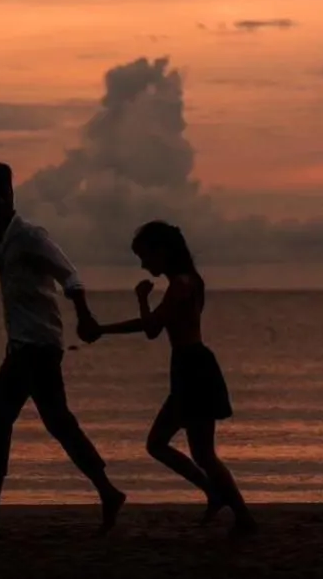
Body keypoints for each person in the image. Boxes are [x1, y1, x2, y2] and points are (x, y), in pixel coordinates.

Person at [0, 161, 127, 531]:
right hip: (20, 346)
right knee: (18, 421)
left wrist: (83, 316)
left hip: (40, 346)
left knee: (39, 421)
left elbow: (70, 274)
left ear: (9, 193)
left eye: (1, 195)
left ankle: (106, 491)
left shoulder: (31, 237)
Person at [82, 221, 256, 536]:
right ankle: (225, 502)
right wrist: (108, 328)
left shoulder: (181, 285)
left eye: (145, 256)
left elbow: (151, 329)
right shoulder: (189, 281)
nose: (143, 264)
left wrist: (139, 300)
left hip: (194, 368)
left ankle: (238, 512)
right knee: (175, 447)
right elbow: (157, 328)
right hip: (190, 366)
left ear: (162, 251)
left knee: (184, 449)